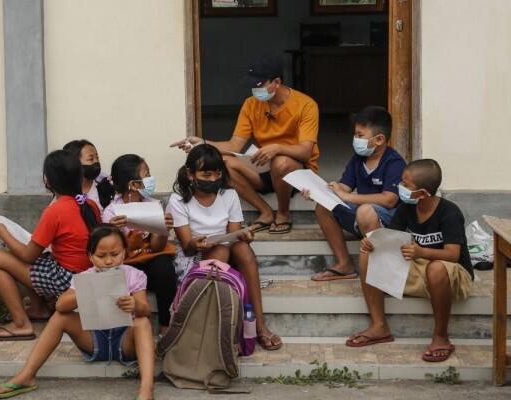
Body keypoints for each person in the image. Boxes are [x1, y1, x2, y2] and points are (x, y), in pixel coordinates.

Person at [0, 224, 155, 400]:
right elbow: (61, 305)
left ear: (124, 252)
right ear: (90, 256)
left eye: (115, 254)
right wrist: (91, 289)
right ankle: (27, 375)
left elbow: (146, 310)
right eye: (101, 256)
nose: (108, 261)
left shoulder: (134, 275)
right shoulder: (85, 276)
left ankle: (146, 389)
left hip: (125, 341)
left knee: (142, 322)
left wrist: (134, 304)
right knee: (61, 317)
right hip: (94, 339)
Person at [171, 55, 319, 234]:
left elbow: (305, 152)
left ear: (277, 82)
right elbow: (234, 146)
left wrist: (277, 148)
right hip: (264, 168)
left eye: (259, 86)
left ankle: (283, 213)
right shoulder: (251, 105)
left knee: (282, 161)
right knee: (223, 163)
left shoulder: (306, 105)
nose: (254, 91)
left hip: (294, 174)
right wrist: (202, 142)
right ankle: (265, 212)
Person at [347, 159, 474, 363]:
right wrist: (373, 243)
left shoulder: (449, 212)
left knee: (436, 269)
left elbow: (453, 255)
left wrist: (421, 251)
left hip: (451, 273)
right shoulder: (406, 208)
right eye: (401, 182)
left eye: (406, 185)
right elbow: (392, 240)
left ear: (423, 193)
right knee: (367, 254)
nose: (400, 188)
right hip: (418, 267)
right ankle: (379, 326)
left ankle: (441, 336)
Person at [166, 144, 282, 351]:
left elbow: (234, 233)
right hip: (195, 255)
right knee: (223, 249)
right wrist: (197, 242)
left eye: (217, 173)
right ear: (190, 174)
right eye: (206, 174)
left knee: (241, 249)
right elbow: (187, 247)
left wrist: (244, 235)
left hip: (225, 248)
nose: (212, 179)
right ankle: (216, 330)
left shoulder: (228, 194)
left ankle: (260, 325)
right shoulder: (178, 200)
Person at [0, 150, 101, 340]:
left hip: (67, 278)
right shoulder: (90, 205)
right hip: (85, 273)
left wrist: (2, 232)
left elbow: (28, 256)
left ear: (48, 180)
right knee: (37, 257)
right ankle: (38, 309)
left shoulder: (55, 210)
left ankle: (21, 324)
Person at [304, 106, 406, 281]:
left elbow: (389, 200)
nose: (355, 139)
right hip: (362, 216)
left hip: (387, 222)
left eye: (360, 135)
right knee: (324, 206)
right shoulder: (358, 159)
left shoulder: (394, 162)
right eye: (355, 135)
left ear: (379, 139)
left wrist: (349, 197)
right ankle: (345, 264)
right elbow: (344, 187)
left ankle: (379, 271)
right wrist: (318, 192)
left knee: (365, 211)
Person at [102, 154, 176, 335]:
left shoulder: (154, 205)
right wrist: (113, 230)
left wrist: (162, 229)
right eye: (146, 175)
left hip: (148, 259)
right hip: (125, 262)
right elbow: (109, 249)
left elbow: (157, 248)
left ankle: (166, 327)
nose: (151, 179)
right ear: (133, 185)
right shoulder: (112, 210)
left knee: (165, 268)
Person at [63, 139, 113, 213]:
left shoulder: (105, 187)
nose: (96, 162)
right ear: (74, 163)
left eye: (97, 158)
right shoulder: (63, 190)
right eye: (91, 159)